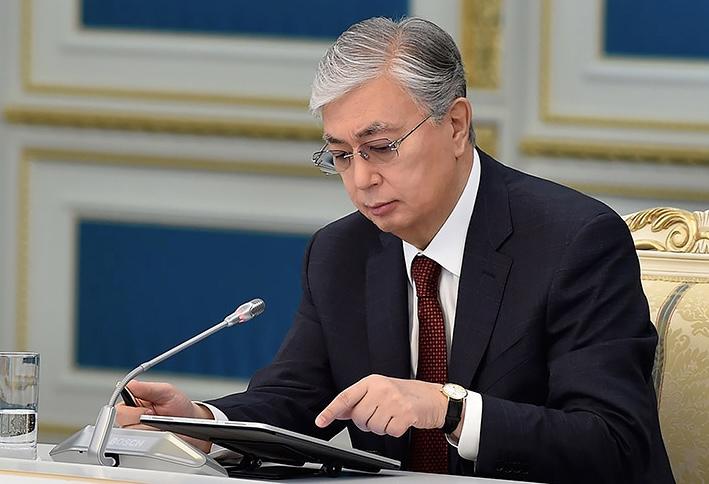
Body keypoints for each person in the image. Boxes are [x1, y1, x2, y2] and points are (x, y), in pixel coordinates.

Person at [117, 17, 674, 483]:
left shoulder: (574, 241)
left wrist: (451, 410)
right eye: (341, 155)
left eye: (381, 147)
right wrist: (202, 423)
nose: (361, 180)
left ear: (456, 125)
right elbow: (297, 397)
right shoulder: (341, 251)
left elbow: (614, 443)